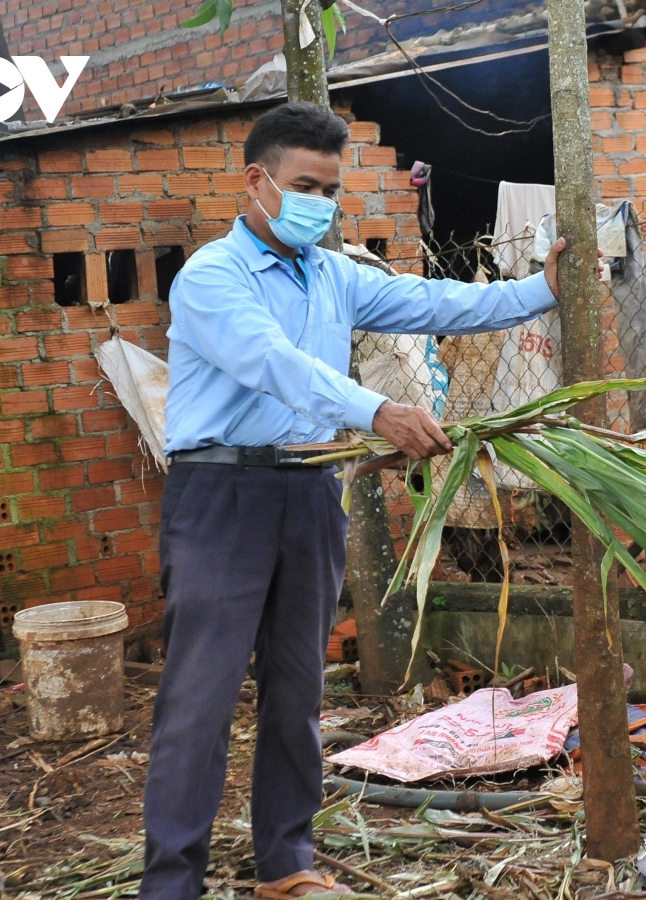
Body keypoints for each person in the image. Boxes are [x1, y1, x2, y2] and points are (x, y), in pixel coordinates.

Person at [141, 101, 568, 900]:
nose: (320, 204)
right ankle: (170, 886)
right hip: (222, 496)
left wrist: (539, 291)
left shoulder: (332, 274)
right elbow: (272, 362)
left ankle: (285, 866)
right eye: (305, 186)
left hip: (311, 490)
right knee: (199, 700)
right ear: (256, 181)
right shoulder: (211, 277)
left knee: (297, 692)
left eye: (330, 190)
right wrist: (377, 410)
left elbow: (437, 303)